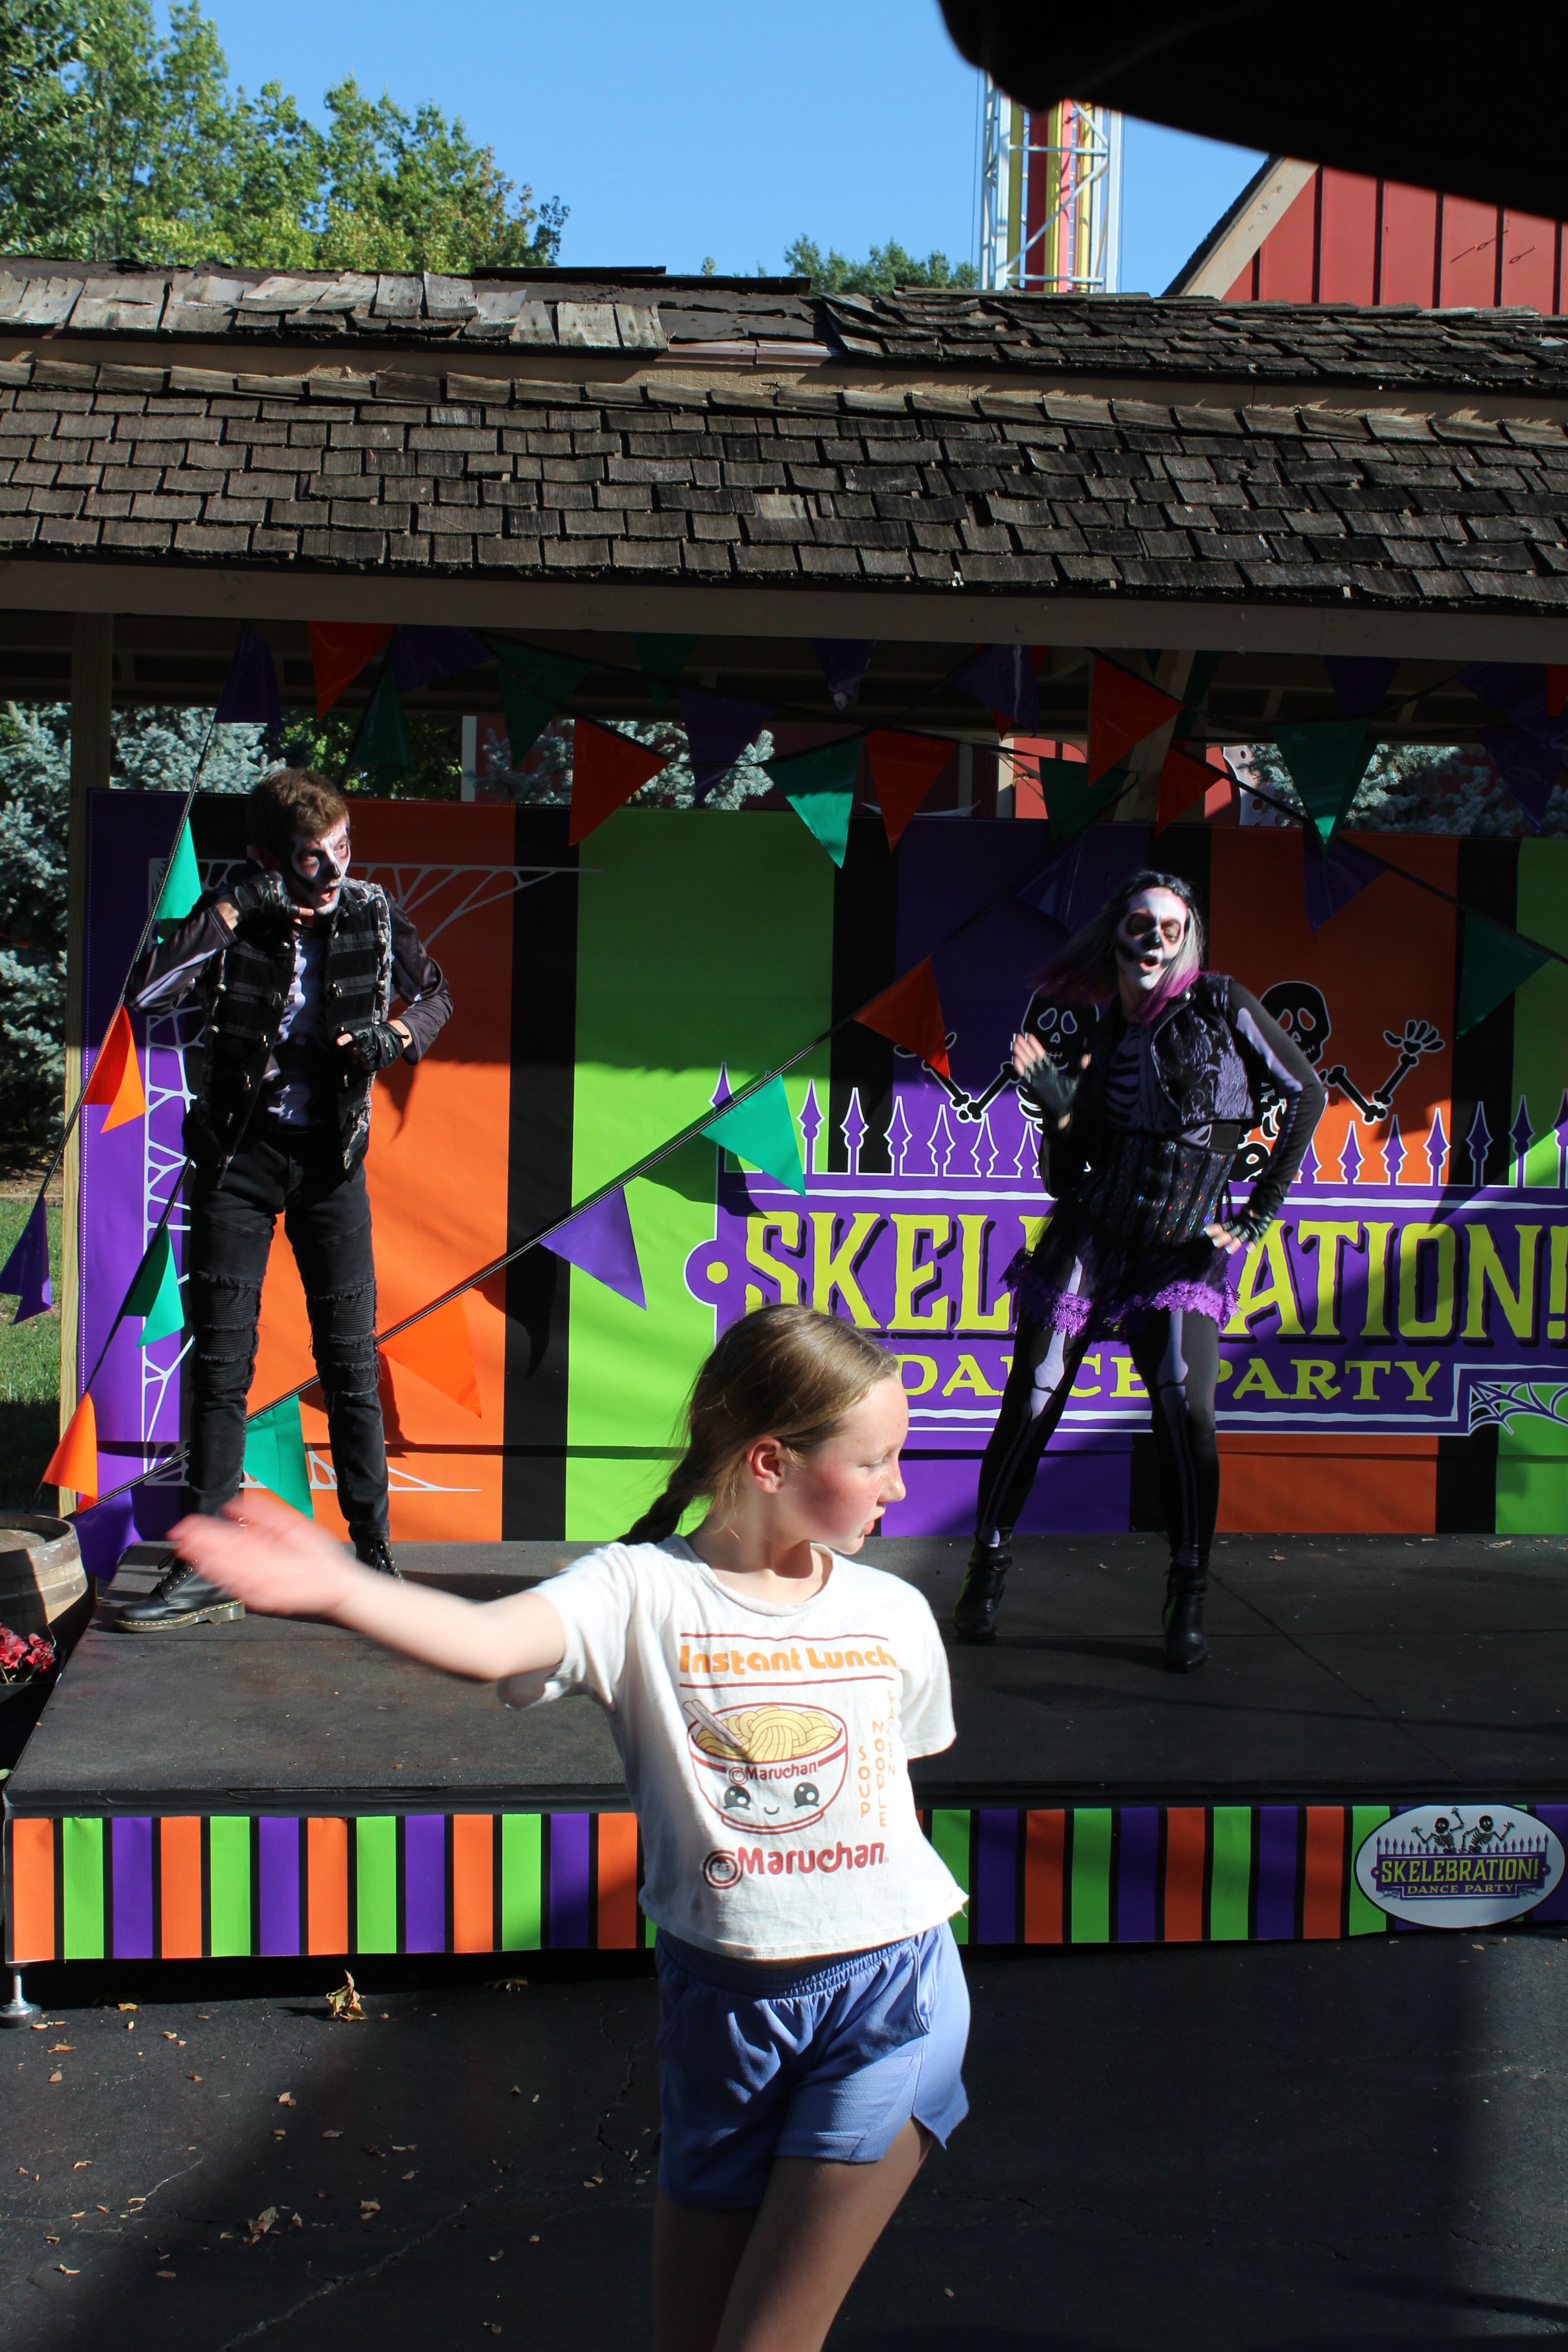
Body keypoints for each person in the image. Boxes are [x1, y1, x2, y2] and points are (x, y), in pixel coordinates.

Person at [167, 1304, 970, 2352]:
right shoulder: (639, 1591)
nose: (899, 1487)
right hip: (722, 2010)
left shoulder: (890, 1613)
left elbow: (893, 1796)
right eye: (876, 1462)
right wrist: (342, 1590)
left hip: (888, 1998)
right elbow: (489, 1640)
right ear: (771, 1462)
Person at [954, 871, 1325, 1668]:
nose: (1154, 941)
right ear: (1115, 937)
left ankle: (1187, 1594)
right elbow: (1066, 1179)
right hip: (1093, 1237)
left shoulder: (1223, 1004)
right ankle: (986, 1572)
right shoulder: (1105, 1038)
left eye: (1170, 927)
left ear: (1187, 939)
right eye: (1140, 926)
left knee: (1187, 1413)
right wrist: (1060, 1110)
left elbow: (1307, 1094)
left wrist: (1258, 1214)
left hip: (1182, 1249)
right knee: (1034, 1398)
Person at [116, 769, 452, 1630]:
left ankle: (373, 1553)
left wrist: (395, 1035)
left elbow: (437, 994)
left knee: (350, 1362)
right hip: (237, 1160)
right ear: (269, 858)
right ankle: (207, 1563)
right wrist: (234, 909)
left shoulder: (372, 911)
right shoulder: (234, 914)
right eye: (313, 858)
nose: (335, 871)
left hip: (331, 1164)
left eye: (344, 848)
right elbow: (147, 992)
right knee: (220, 1364)